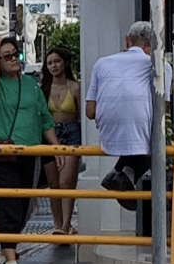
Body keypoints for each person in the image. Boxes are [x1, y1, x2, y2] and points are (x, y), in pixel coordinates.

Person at [0, 29, 53, 264]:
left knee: (24, 207)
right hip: (0, 152)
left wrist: (57, 149)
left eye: (15, 55)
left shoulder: (30, 84)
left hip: (29, 152)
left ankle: (5, 249)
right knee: (7, 205)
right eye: (6, 56)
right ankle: (11, 260)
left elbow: (44, 118)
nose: (13, 59)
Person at [85, 23, 162, 238]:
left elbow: (90, 111)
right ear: (154, 43)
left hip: (107, 130)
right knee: (158, 140)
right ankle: (127, 174)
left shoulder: (101, 63)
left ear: (127, 40)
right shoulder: (158, 65)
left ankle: (116, 172)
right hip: (141, 128)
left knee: (136, 132)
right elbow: (162, 109)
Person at [42, 50, 83, 242]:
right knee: (54, 184)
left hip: (71, 132)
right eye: (50, 63)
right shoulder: (43, 88)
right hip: (50, 135)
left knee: (66, 181)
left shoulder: (75, 87)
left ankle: (66, 224)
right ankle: (57, 224)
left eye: (57, 61)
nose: (54, 66)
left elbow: (81, 116)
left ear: (65, 63)